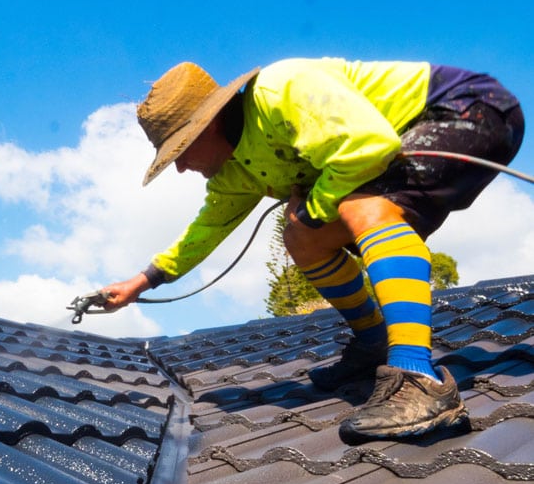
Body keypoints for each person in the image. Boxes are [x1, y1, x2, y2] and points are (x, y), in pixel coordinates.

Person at [101, 58, 525, 440]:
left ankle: (417, 378)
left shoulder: (280, 90)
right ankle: (374, 342)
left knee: (362, 207)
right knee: (301, 238)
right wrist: (141, 283)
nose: (179, 166)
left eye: (180, 150)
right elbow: (205, 231)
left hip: (469, 109)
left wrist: (316, 205)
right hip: (415, 138)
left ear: (208, 126)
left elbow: (369, 146)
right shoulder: (234, 174)